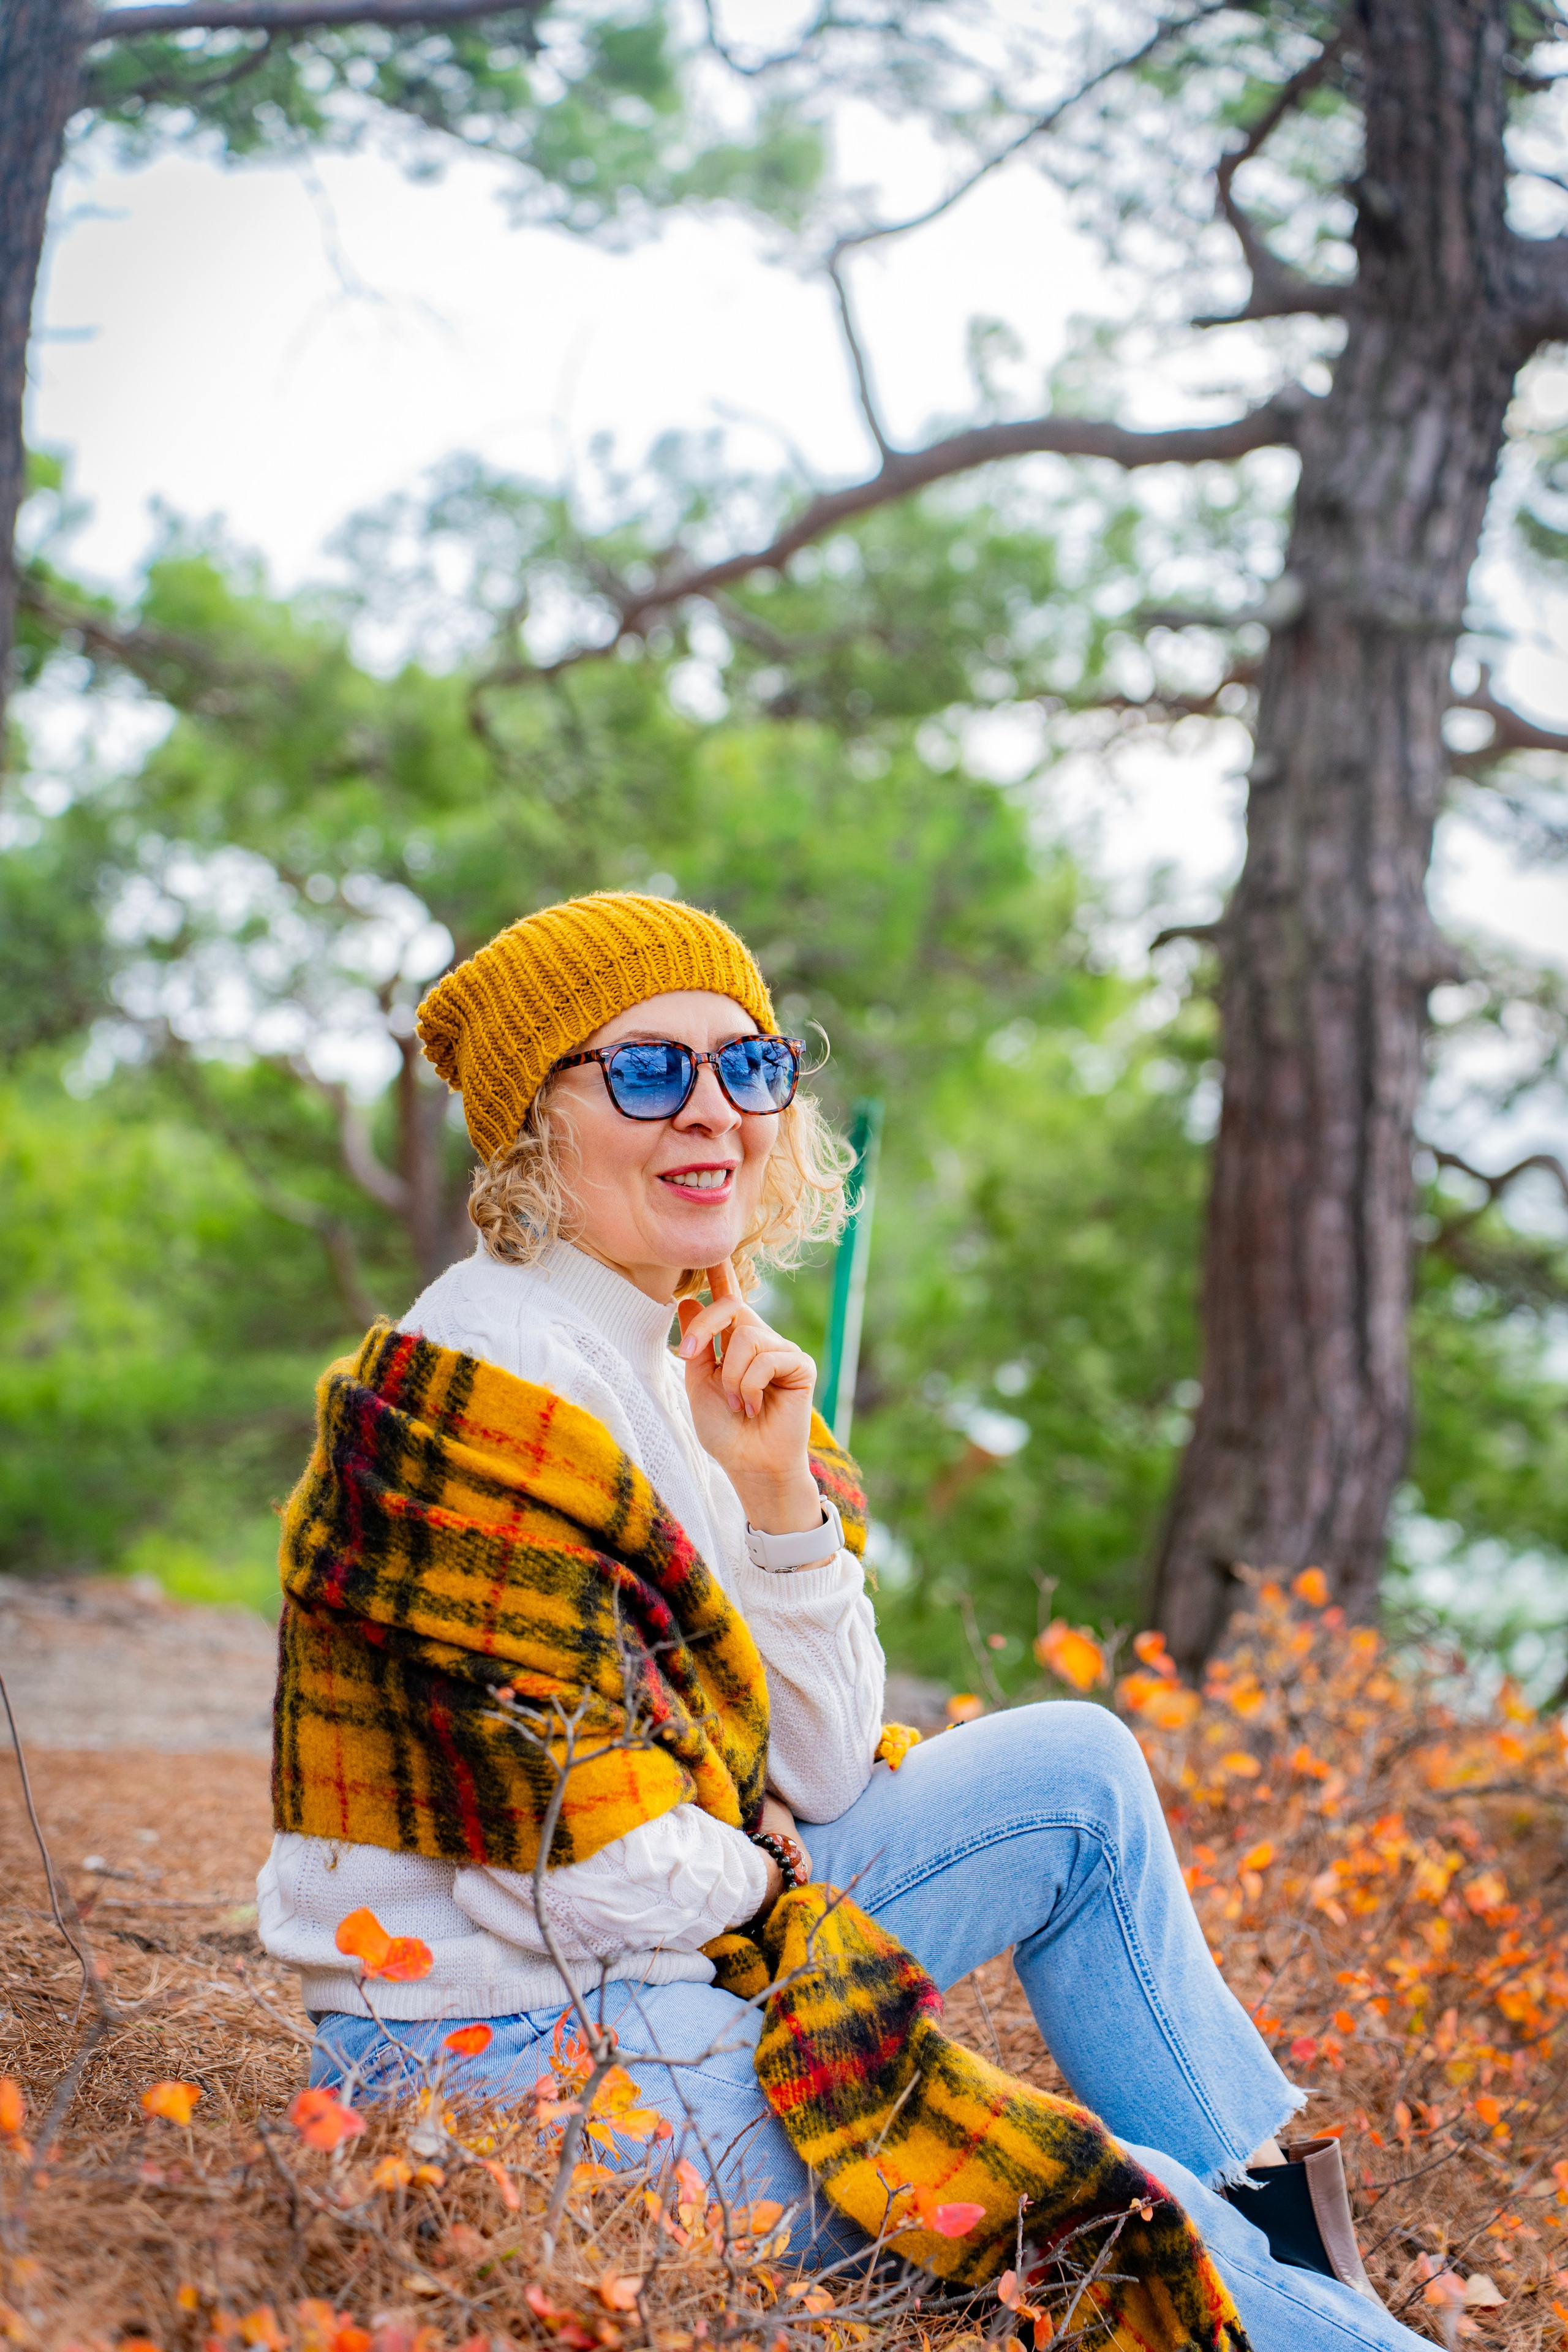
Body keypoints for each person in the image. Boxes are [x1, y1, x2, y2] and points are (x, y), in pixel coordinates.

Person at [258, 892, 1431, 2352]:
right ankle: (1276, 2297)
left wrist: (774, 1503)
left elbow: (817, 1778)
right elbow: (584, 1882)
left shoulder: (683, 1348)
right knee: (1098, 2203)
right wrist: (762, 1888)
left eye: (746, 1066)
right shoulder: (474, 1395)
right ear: (530, 1131)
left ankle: (1273, 2248)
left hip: (661, 1949)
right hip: (510, 2047)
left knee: (1073, 1772)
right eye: (642, 1072)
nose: (711, 1113)